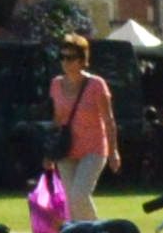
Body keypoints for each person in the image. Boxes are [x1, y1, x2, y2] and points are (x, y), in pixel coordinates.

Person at [46, 31, 117, 209]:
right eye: (62, 57)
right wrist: (50, 151)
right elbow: (57, 119)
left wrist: (114, 151)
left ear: (82, 59)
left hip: (94, 148)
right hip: (66, 148)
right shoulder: (56, 84)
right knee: (71, 200)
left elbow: (109, 120)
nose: (65, 62)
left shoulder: (96, 84)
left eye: (70, 58)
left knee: (79, 195)